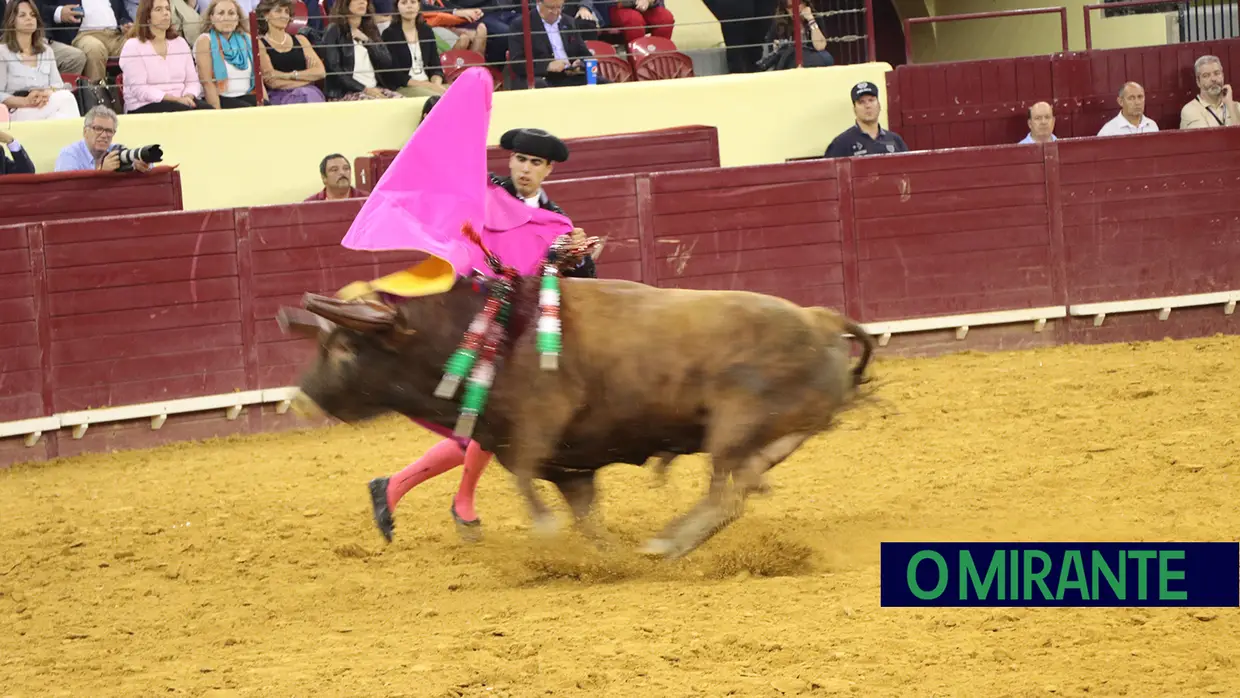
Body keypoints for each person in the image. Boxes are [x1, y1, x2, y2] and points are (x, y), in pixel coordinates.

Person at [368, 127, 596, 544]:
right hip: (470, 318)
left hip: (515, 334)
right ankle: (430, 494)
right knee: (487, 422)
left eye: (535, 163)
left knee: (487, 423)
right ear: (509, 160)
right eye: (520, 159)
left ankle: (412, 490)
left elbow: (577, 279)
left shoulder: (558, 221)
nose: (525, 169)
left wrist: (578, 259)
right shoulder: (481, 194)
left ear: (548, 170)